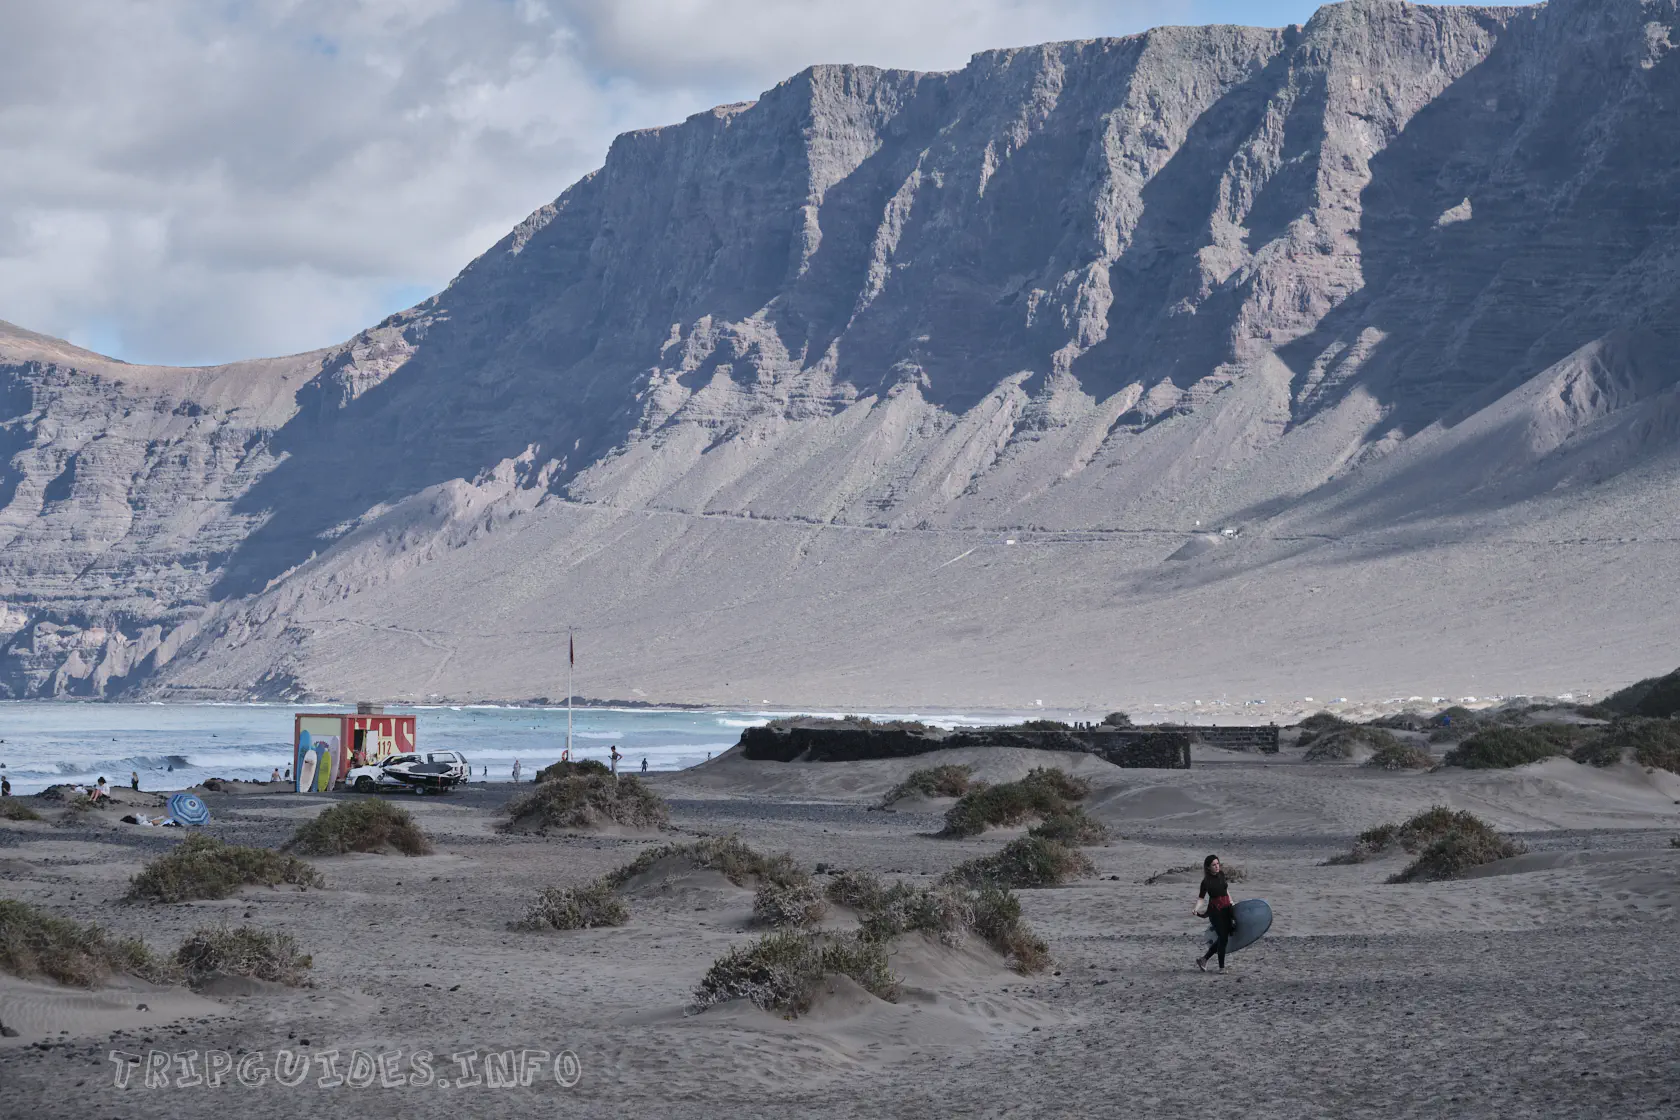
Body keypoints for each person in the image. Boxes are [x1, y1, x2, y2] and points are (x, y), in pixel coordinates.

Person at [1196, 854, 1238, 972]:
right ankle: (1221, 968)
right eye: (1213, 865)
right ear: (1208, 867)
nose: (1216, 866)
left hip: (1226, 909)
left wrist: (1232, 902)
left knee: (1225, 936)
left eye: (1217, 864)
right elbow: (1201, 898)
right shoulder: (1206, 882)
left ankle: (1203, 959)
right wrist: (1196, 908)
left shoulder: (1221, 875)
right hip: (1215, 912)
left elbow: (1225, 889)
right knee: (1223, 937)